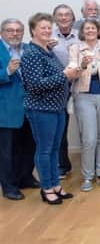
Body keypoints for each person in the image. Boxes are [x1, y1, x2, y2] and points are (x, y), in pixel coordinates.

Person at [22, 13, 79, 205]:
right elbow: (35, 85)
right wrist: (64, 75)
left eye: (48, 27)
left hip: (57, 108)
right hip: (41, 110)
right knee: (45, 150)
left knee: (55, 149)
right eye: (42, 28)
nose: (46, 31)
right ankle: (46, 188)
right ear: (33, 30)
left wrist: (69, 74)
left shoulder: (47, 50)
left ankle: (55, 184)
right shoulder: (31, 54)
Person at [68, 19, 100, 192]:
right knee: (89, 138)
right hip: (84, 96)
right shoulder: (75, 49)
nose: (90, 30)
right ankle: (88, 176)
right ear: (82, 31)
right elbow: (71, 75)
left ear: (98, 31)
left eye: (93, 28)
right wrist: (82, 65)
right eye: (86, 28)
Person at [0, 19, 37, 201]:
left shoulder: (28, 49)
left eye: (18, 30)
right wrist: (6, 71)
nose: (15, 34)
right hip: (6, 109)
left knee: (29, 146)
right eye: (10, 30)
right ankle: (9, 186)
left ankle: (25, 177)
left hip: (30, 107)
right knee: (7, 151)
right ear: (2, 32)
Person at [50, 3, 79, 178]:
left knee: (86, 124)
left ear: (73, 18)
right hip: (59, 86)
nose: (63, 18)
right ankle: (62, 164)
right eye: (59, 15)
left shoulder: (80, 35)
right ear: (55, 18)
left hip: (81, 84)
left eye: (67, 15)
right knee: (60, 126)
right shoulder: (48, 37)